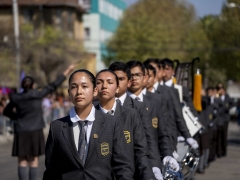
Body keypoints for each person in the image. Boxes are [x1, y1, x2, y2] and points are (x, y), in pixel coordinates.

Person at [43, 69, 134, 180]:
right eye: (74, 87)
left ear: (95, 91)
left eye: (84, 86)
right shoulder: (57, 127)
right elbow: (52, 170)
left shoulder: (112, 123)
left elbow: (123, 167)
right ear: (69, 93)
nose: (79, 91)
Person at [3, 64, 75, 180]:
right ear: (33, 85)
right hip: (35, 131)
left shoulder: (16, 97)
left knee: (22, 160)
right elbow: (53, 85)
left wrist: (17, 117)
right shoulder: (38, 94)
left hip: (21, 130)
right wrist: (68, 70)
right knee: (33, 160)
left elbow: (6, 111)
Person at [95, 69, 155, 179]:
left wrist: (149, 175)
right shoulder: (90, 116)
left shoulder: (131, 115)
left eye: (110, 82)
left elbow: (140, 151)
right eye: (99, 82)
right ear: (94, 89)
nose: (104, 86)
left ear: (117, 88)